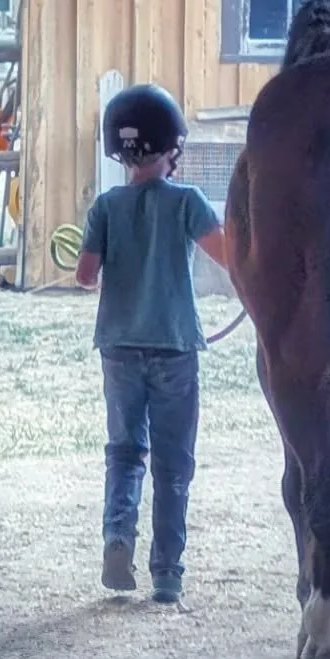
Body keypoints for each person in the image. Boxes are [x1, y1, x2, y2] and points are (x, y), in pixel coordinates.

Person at [74, 84, 229, 604]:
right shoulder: (188, 202)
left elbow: (84, 276)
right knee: (173, 462)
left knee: (124, 452)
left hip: (118, 347)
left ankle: (118, 537)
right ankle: (167, 573)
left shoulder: (106, 206)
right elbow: (229, 257)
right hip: (175, 347)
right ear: (171, 150)